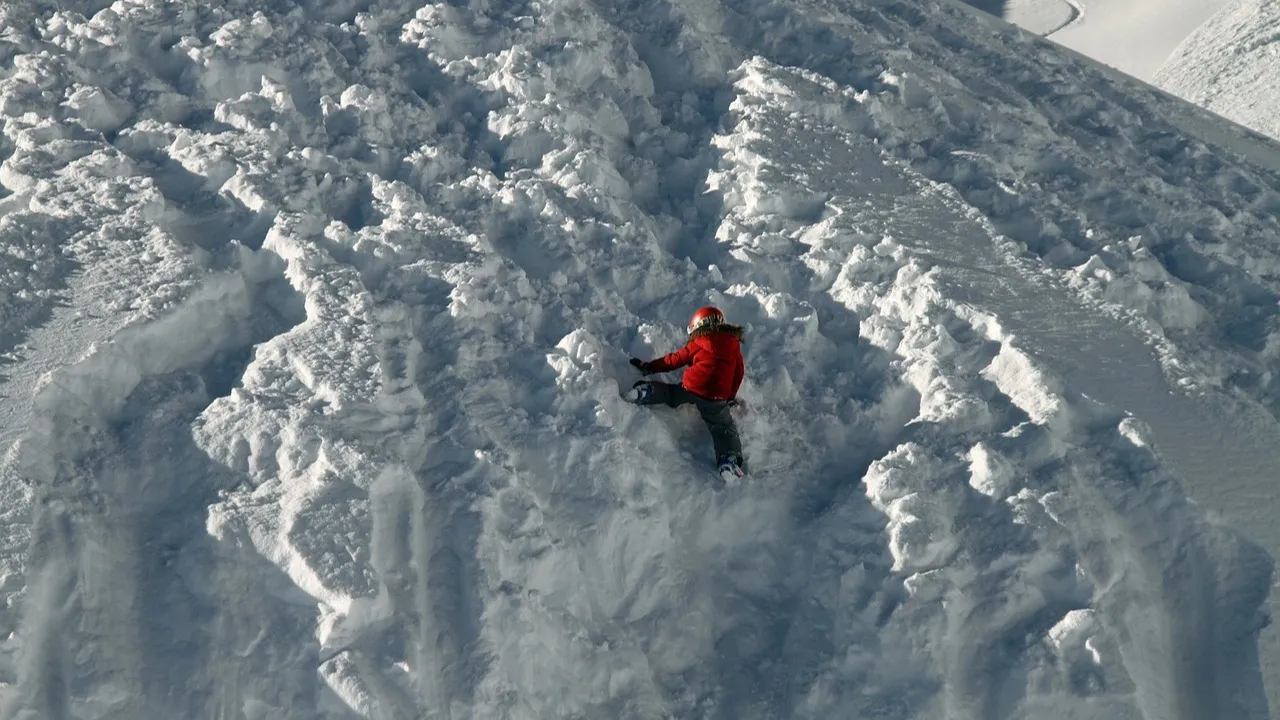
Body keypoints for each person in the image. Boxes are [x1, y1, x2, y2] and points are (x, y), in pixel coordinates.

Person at [625, 306, 747, 482]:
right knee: (723, 427)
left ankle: (646, 392)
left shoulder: (699, 342)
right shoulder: (733, 344)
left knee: (672, 393)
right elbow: (739, 373)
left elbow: (673, 360)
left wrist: (649, 366)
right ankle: (728, 460)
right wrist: (729, 397)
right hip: (716, 396)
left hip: (693, 386)